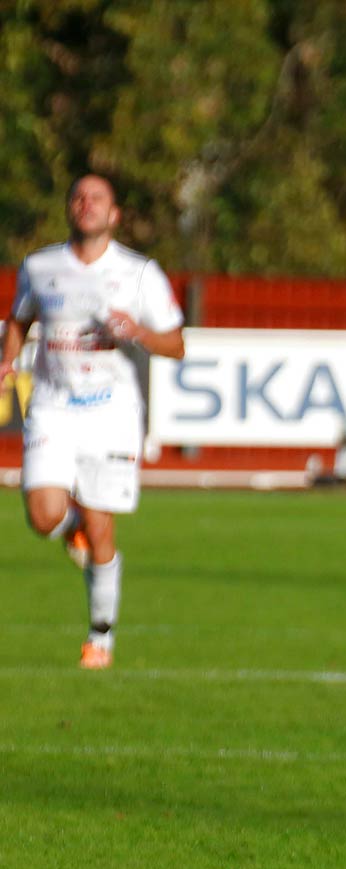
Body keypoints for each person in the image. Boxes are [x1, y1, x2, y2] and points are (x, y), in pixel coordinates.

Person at [1, 174, 185, 669]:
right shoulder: (41, 266)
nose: (87, 205)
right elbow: (19, 320)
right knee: (42, 516)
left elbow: (177, 344)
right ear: (69, 208)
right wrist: (7, 361)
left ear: (115, 213)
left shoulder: (139, 272)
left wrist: (139, 331)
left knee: (102, 529)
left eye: (97, 198)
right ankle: (70, 527)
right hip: (54, 406)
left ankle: (99, 638)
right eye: (79, 197)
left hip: (111, 413)